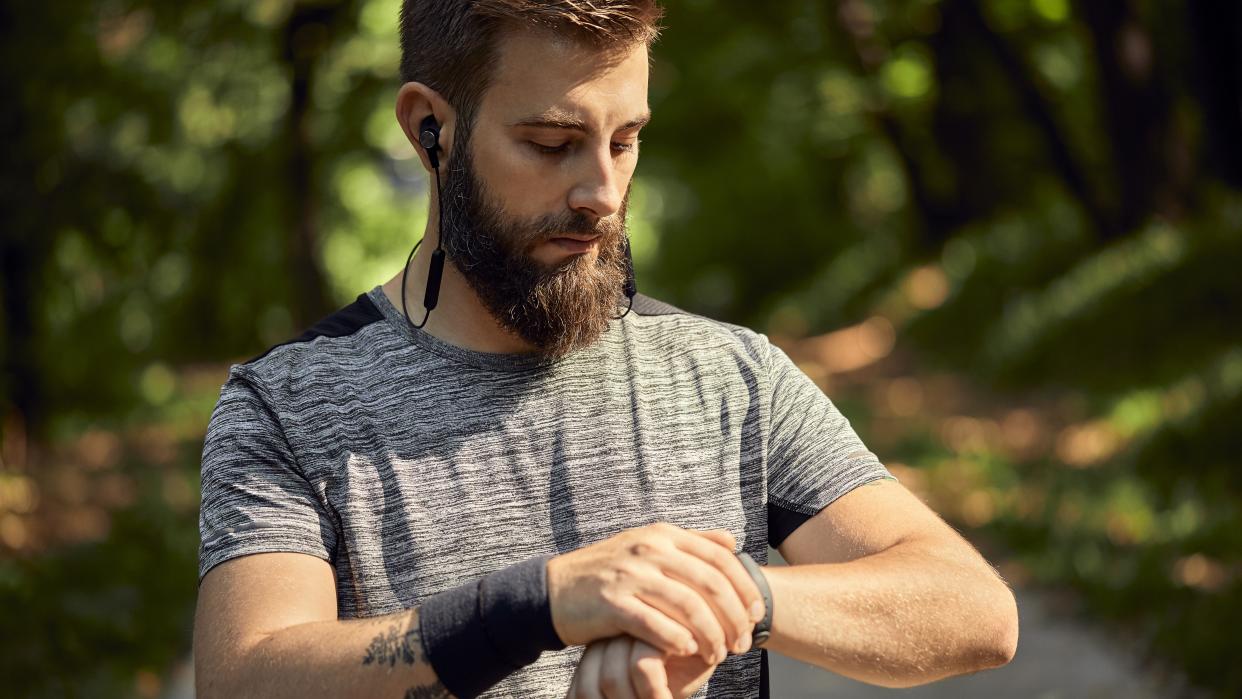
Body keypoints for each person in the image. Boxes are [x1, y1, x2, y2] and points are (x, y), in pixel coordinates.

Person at [192, 1, 1019, 698]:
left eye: (624, 141)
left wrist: (711, 597)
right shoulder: (289, 405)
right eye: (552, 144)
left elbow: (973, 609)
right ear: (430, 128)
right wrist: (538, 604)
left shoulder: (732, 377)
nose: (602, 194)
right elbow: (244, 675)